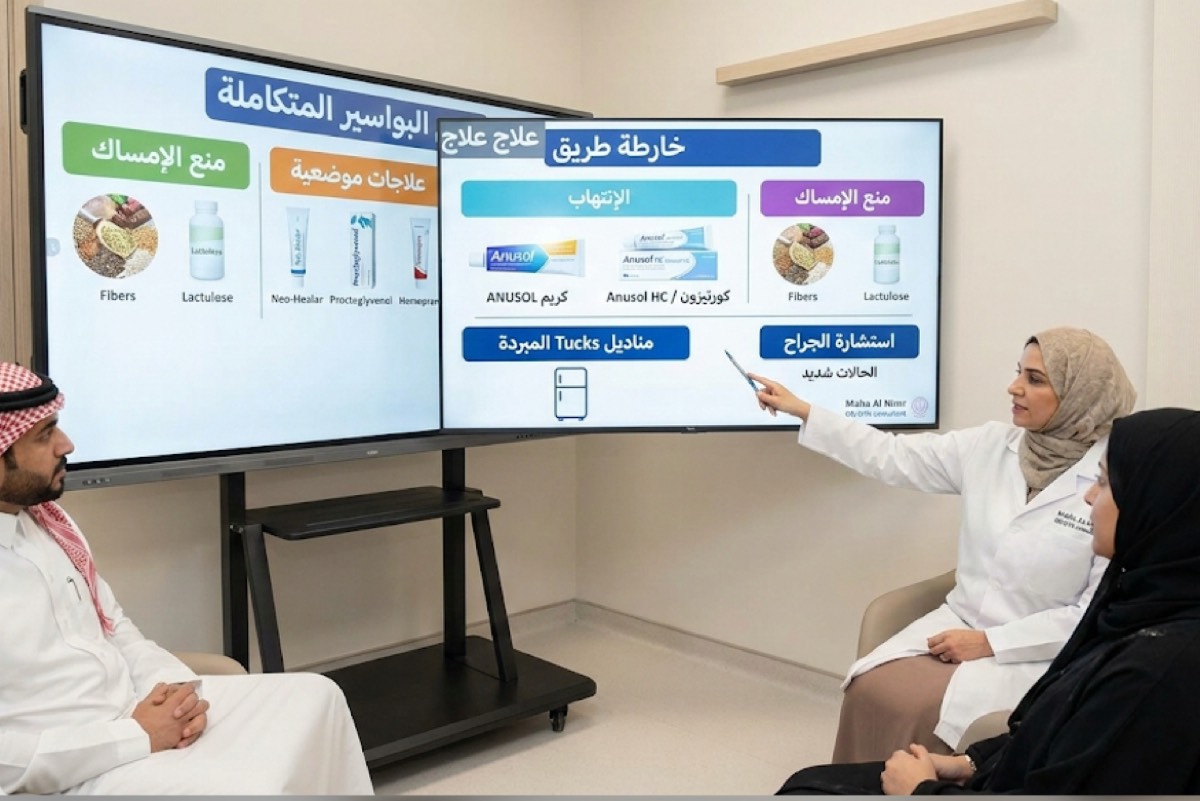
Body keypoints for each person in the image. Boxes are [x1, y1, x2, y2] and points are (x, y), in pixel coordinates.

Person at [749, 327, 1136, 762]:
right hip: (960, 619)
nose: (1014, 387)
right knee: (868, 686)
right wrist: (805, 411)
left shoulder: (1117, 477)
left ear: (1081, 395)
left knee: (935, 719)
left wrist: (989, 642)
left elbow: (1093, 611)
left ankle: (922, 786)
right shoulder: (989, 445)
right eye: (1018, 373)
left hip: (1040, 650)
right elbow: (892, 455)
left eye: (1034, 379)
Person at [777, 407, 1200, 794]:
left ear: (1156, 504)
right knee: (814, 773)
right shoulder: (1134, 603)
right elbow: (1051, 727)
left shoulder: (1154, 673)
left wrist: (921, 791)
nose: (1089, 495)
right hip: (986, 737)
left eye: (1104, 483)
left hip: (1025, 651)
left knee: (813, 787)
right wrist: (972, 762)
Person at [0, 362, 374, 795]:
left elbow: (113, 627)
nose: (66, 445)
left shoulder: (48, 523)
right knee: (249, 786)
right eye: (44, 434)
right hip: (80, 764)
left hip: (139, 708)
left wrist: (174, 691)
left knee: (317, 696)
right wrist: (138, 735)